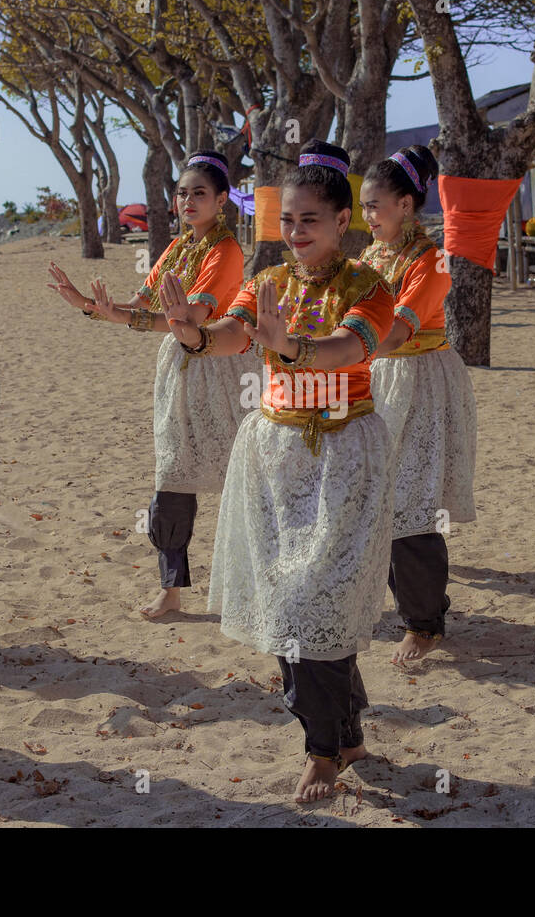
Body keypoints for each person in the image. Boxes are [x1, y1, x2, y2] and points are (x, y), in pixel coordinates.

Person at [162, 141, 395, 801]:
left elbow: (352, 346)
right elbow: (232, 334)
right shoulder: (268, 283)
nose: (295, 233)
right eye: (287, 220)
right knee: (289, 599)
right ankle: (341, 733)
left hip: (346, 452)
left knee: (319, 595)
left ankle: (322, 751)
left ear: (341, 221)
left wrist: (289, 346)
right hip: (273, 454)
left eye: (309, 220)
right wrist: (189, 333)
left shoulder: (368, 287)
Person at [47, 151, 253, 619]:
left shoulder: (226, 251)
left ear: (222, 200)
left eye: (199, 193)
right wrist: (87, 304)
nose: (187, 201)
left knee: (244, 476)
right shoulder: (177, 249)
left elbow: (192, 319)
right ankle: (171, 588)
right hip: (178, 369)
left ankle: (255, 580)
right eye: (182, 193)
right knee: (172, 476)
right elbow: (138, 307)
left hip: (221, 365)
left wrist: (132, 316)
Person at [359, 145, 477, 664]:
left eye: (375, 205)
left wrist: (330, 347)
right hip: (370, 379)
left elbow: (399, 328)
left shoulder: (433, 260)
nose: (367, 216)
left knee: (409, 503)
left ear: (406, 204)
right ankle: (406, 605)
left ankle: (424, 623)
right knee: (371, 499)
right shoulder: (364, 260)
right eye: (362, 207)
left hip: (420, 383)